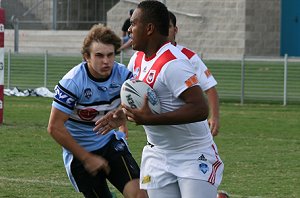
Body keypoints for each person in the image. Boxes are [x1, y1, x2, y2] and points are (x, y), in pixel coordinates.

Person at [94, 1, 224, 198]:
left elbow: (199, 108)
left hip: (193, 154)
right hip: (157, 155)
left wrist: (149, 119)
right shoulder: (137, 60)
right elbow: (139, 100)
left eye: (133, 24)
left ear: (149, 29)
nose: (129, 29)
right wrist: (123, 114)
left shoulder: (172, 63)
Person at [47, 24, 147, 198]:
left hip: (109, 144)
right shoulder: (73, 82)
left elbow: (140, 105)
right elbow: (54, 127)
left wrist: (122, 114)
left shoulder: (124, 76)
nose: (106, 61)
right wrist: (86, 158)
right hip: (79, 153)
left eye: (110, 55)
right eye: (99, 56)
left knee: (140, 194)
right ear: (86, 56)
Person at [168, 11, 220, 136]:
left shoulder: (189, 57)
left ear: (175, 30)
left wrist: (215, 117)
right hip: (162, 131)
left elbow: (210, 88)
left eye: (167, 26)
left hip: (190, 130)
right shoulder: (144, 56)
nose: (164, 30)